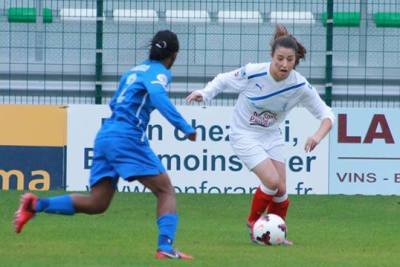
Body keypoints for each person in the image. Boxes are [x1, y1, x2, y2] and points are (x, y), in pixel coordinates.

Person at [14, 30, 196, 260]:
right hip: (126, 136)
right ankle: (166, 247)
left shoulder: (132, 72)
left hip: (105, 134)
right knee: (165, 190)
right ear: (174, 55)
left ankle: (36, 205)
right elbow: (158, 96)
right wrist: (185, 127)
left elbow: (115, 102)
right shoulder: (159, 73)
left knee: (97, 202)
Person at [186, 25, 335, 245]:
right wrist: (205, 93)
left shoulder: (300, 86)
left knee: (281, 189)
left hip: (271, 135)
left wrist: (317, 136)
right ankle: (253, 224)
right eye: (280, 59)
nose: (284, 64)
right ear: (272, 57)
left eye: (290, 60)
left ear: (296, 60)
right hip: (244, 133)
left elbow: (327, 115)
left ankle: (276, 234)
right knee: (272, 181)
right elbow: (224, 79)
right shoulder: (253, 71)